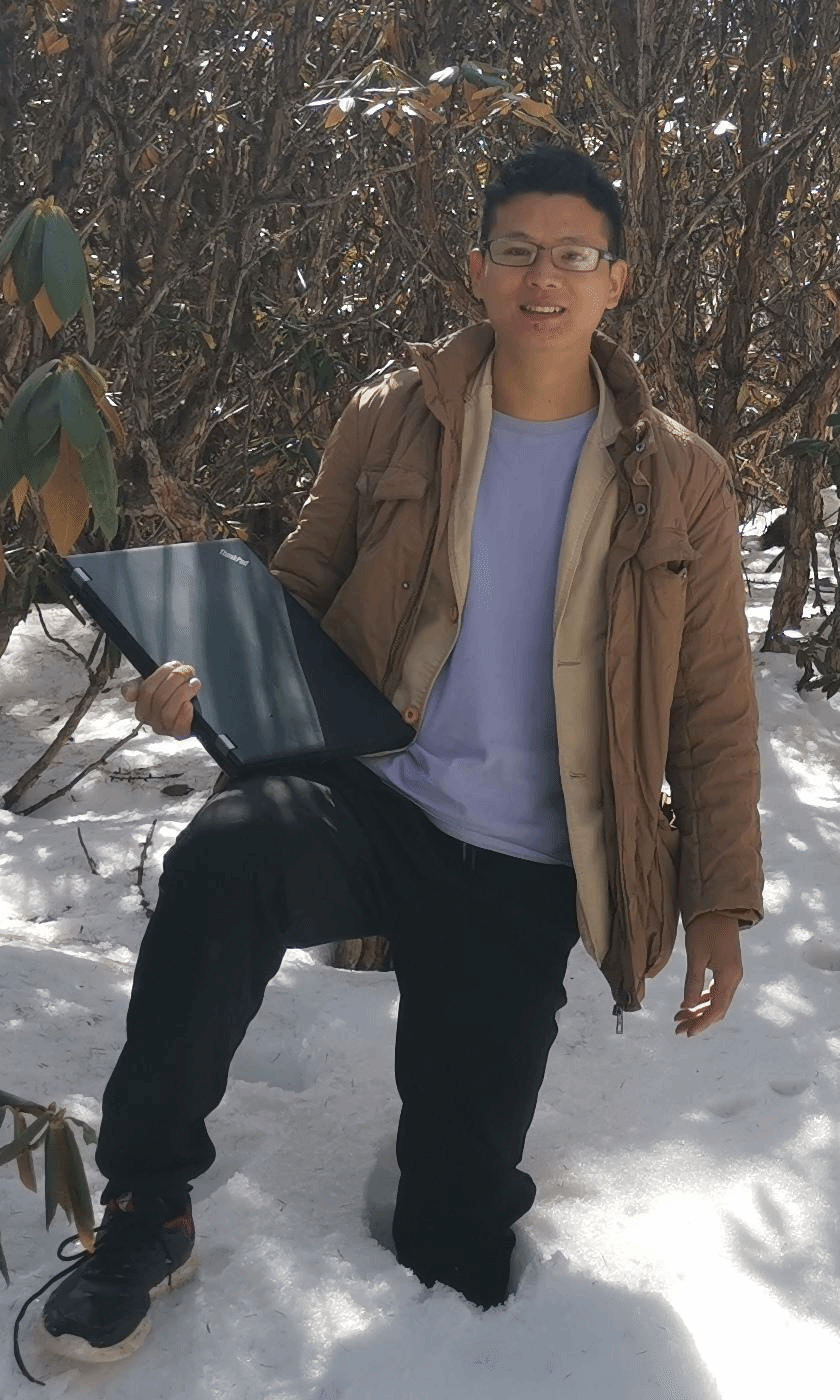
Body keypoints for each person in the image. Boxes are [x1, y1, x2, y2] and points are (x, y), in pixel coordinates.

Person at [39, 144, 763, 1360]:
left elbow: (713, 705)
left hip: (533, 863)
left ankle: (447, 1226)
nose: (543, 277)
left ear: (616, 279)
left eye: (572, 254)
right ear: (478, 268)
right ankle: (146, 1201)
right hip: (376, 800)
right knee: (224, 857)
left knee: (457, 1233)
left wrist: (720, 905)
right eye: (518, 251)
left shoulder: (678, 476)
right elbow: (295, 596)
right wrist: (196, 686)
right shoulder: (397, 416)